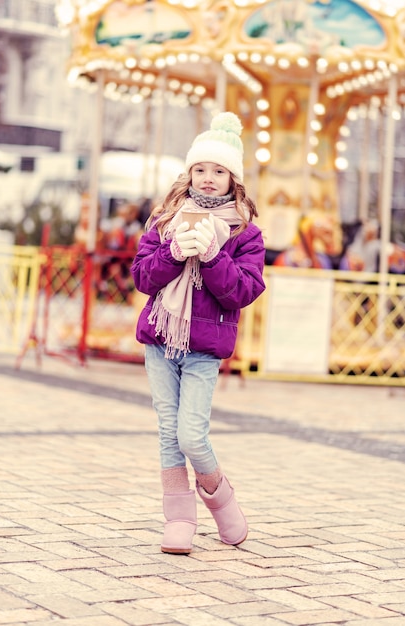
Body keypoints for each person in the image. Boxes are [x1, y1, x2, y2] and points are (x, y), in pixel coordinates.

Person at [131, 111, 266, 555]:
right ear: (189, 171)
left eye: (219, 170)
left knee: (192, 433)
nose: (208, 178)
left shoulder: (244, 233)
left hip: (205, 348)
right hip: (160, 341)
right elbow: (143, 279)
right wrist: (172, 252)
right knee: (169, 433)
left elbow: (243, 291)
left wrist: (212, 256)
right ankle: (180, 520)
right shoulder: (164, 220)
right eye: (201, 168)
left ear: (234, 179)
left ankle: (221, 499)